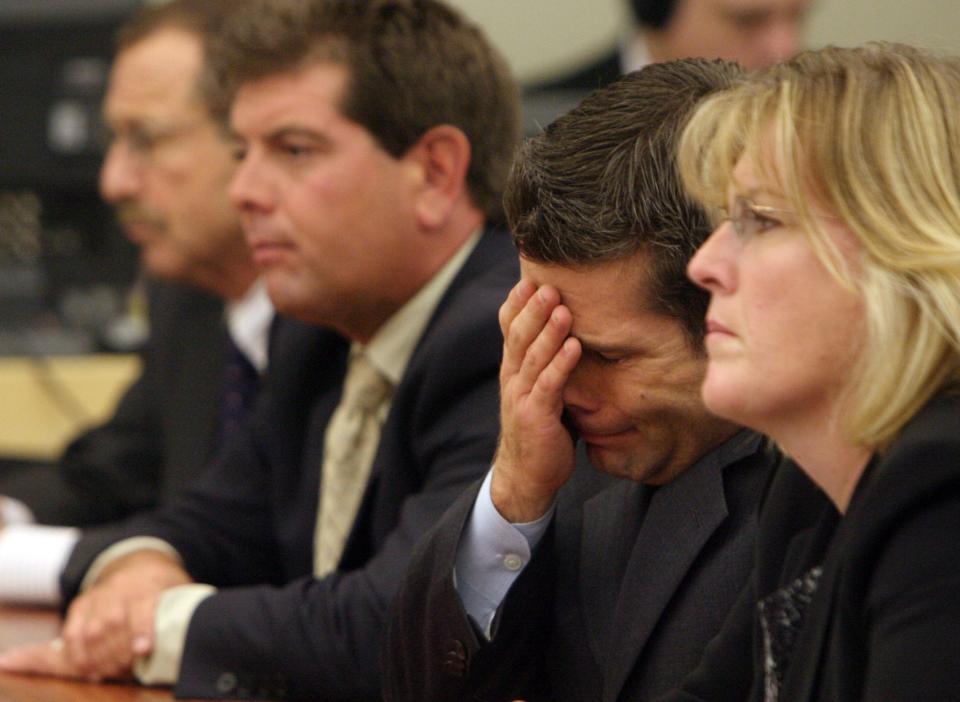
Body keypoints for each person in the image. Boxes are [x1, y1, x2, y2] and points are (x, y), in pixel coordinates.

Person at [0, 1, 521, 700]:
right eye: (244, 154)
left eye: (294, 150)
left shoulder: (503, 331)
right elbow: (215, 519)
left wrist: (158, 621)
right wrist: (142, 563)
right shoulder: (316, 329)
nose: (244, 191)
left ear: (433, 171)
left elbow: (395, 622)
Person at [385, 59, 779, 702]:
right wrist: (514, 491)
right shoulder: (558, 454)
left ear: (733, 304)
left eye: (611, 357)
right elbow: (413, 683)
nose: (563, 388)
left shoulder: (816, 484)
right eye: (546, 340)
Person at [667, 42, 960, 699]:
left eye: (760, 220)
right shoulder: (810, 486)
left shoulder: (941, 490)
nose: (704, 265)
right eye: (722, 221)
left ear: (905, 248)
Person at [0, 0, 272, 606]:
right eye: (112, 142)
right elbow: (117, 469)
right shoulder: (191, 297)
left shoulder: (342, 314)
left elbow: (259, 547)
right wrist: (10, 515)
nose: (113, 182)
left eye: (145, 141)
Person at [529, 0, 810, 93]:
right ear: (657, 8)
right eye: (747, 21)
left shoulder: (827, 127)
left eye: (797, 17)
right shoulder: (536, 130)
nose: (785, 48)